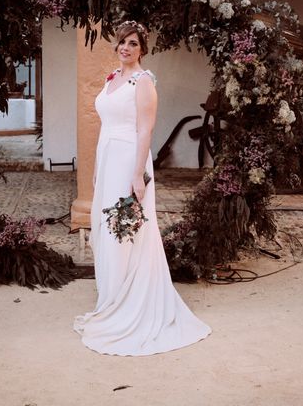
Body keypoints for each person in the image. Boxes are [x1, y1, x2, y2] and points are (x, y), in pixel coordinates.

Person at [73, 20, 212, 356]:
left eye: (133, 43)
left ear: (142, 49)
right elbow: (105, 127)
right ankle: (112, 296)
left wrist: (138, 175)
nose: (126, 47)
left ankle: (130, 303)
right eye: (122, 41)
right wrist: (96, 172)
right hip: (109, 161)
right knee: (107, 228)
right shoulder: (112, 80)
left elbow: (145, 131)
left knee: (126, 231)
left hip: (129, 161)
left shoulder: (143, 81)